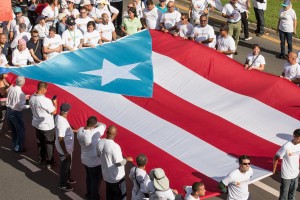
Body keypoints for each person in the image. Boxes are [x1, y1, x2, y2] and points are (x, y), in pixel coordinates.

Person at [97, 125, 133, 200]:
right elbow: (119, 163)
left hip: (106, 175)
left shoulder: (100, 141)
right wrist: (126, 159)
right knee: (120, 196)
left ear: (106, 132)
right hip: (117, 178)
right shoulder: (115, 147)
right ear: (116, 134)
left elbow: (98, 154)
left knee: (109, 195)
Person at [29, 81, 57, 168]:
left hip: (37, 124)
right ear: (43, 89)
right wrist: (55, 103)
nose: (46, 91)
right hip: (47, 126)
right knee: (49, 144)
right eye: (46, 89)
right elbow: (54, 111)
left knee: (40, 142)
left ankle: (41, 159)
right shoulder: (45, 101)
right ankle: (49, 162)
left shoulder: (31, 97)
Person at [77, 116, 106, 200]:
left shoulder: (80, 130)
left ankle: (88, 194)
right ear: (94, 125)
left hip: (85, 159)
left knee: (89, 178)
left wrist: (94, 124)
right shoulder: (94, 132)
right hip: (95, 162)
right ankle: (94, 197)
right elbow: (103, 125)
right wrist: (97, 123)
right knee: (95, 181)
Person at [273, 129, 300, 200]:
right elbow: (276, 157)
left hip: (295, 174)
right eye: (298, 139)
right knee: (283, 197)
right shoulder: (286, 146)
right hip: (286, 176)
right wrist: (274, 170)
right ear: (294, 136)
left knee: (292, 196)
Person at [55, 103, 76, 191]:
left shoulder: (59, 117)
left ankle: (67, 178)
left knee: (68, 165)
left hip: (67, 148)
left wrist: (73, 131)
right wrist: (65, 152)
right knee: (65, 167)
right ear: (67, 111)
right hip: (65, 150)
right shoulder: (61, 122)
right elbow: (60, 138)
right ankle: (63, 184)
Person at [6, 76, 29, 152]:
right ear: (23, 83)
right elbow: (21, 107)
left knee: (14, 130)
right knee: (21, 131)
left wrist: (23, 98)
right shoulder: (21, 94)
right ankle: (18, 147)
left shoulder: (11, 88)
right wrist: (29, 105)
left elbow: (13, 98)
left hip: (9, 110)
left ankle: (15, 145)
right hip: (16, 113)